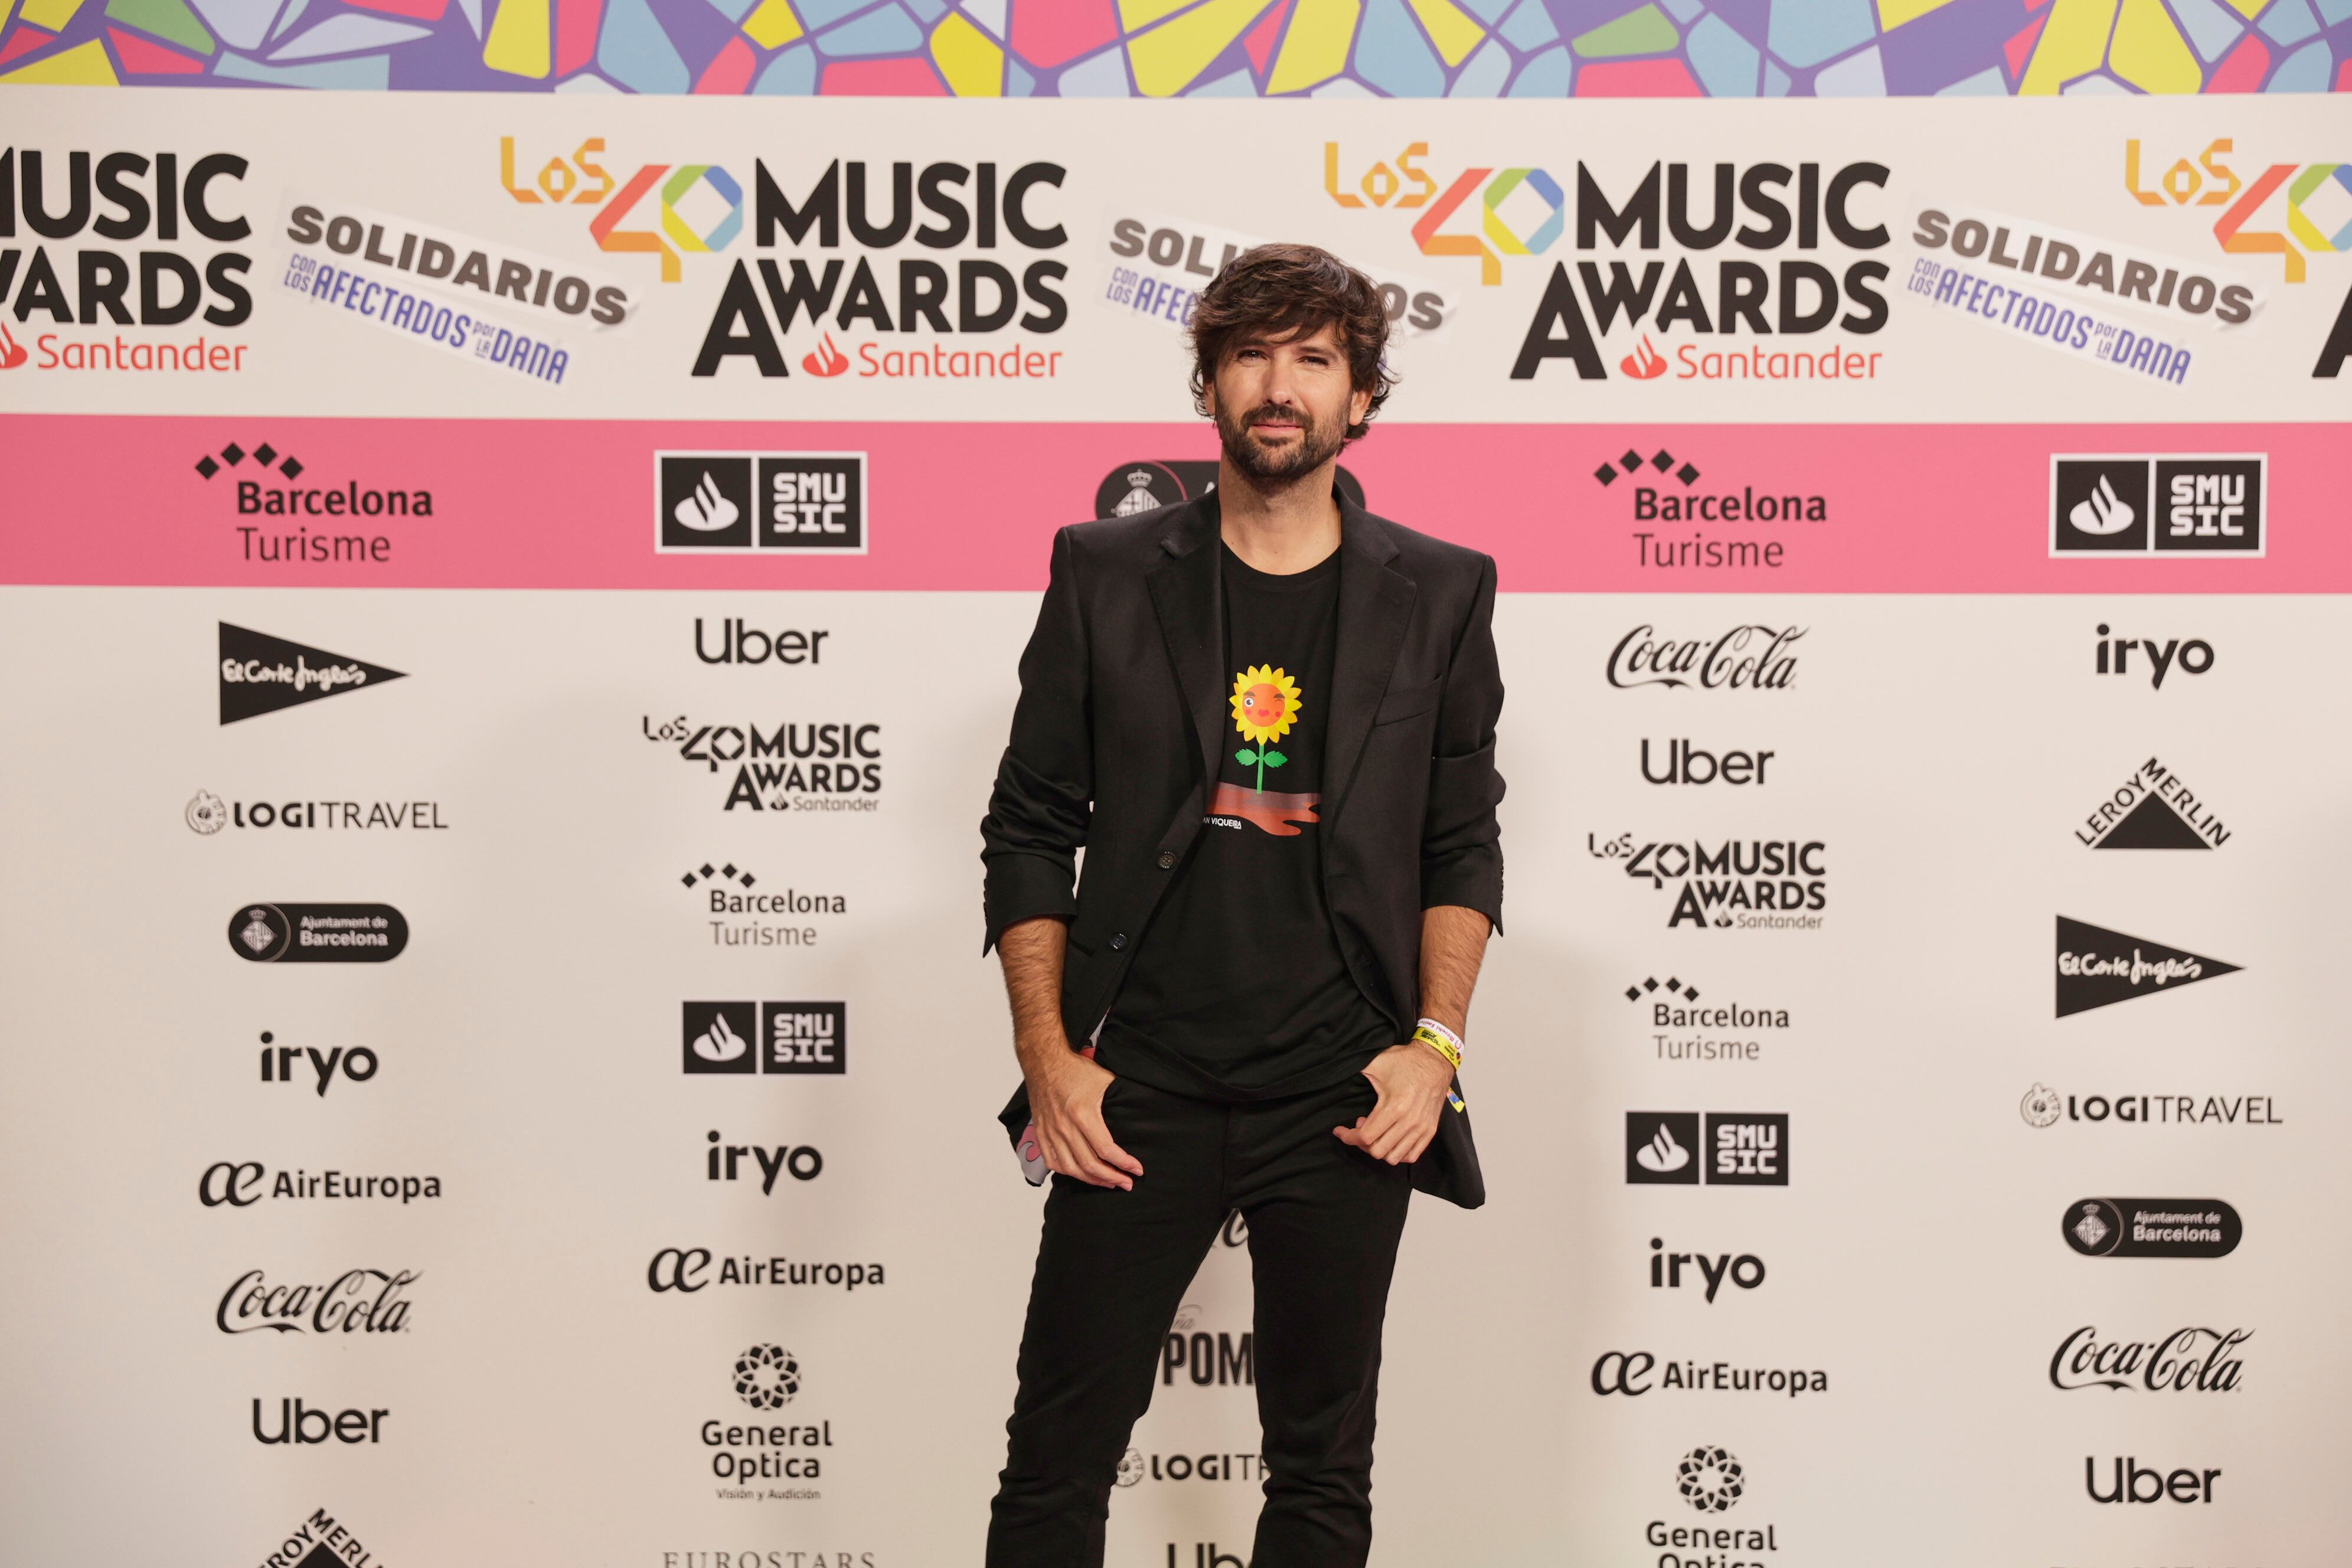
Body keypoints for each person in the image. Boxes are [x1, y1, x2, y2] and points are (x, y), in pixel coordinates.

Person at [978, 242, 1506, 1568]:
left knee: (1321, 1474)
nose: (1281, 387)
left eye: (1315, 359)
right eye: (1251, 356)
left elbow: (1460, 842)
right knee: (1055, 1463)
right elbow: (1031, 825)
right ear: (1208, 383)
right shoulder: (1104, 570)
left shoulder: (1443, 588)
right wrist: (1049, 1058)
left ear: (1361, 397)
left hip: (1345, 1090)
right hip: (1136, 1083)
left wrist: (1434, 1048)